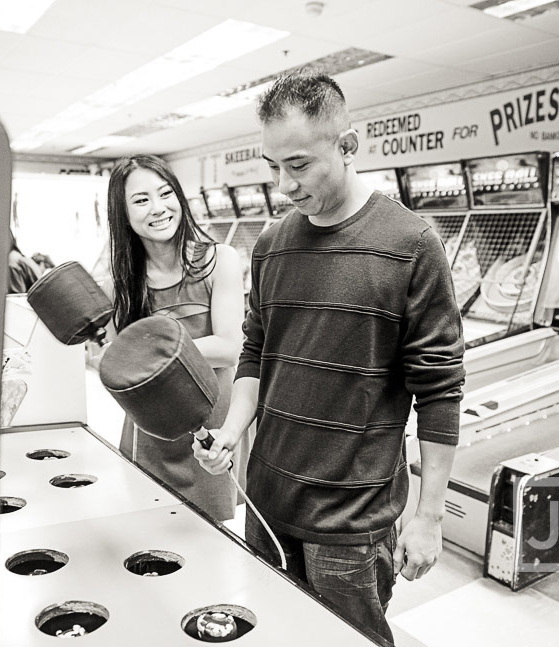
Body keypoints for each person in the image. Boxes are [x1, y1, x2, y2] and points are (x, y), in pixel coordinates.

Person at [193, 71, 465, 646]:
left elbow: (439, 391)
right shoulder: (271, 244)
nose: (283, 183)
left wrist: (430, 516)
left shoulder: (411, 244)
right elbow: (256, 351)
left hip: (352, 525)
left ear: (348, 146)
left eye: (298, 165)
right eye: (271, 165)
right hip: (266, 502)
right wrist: (230, 430)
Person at [100, 154, 246, 522]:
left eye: (166, 194)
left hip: (210, 433)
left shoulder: (219, 260)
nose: (159, 208)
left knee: (213, 544)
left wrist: (149, 354)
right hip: (150, 432)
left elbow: (229, 348)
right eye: (141, 200)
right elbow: (117, 364)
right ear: (124, 212)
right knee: (152, 547)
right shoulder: (121, 284)